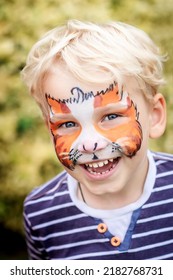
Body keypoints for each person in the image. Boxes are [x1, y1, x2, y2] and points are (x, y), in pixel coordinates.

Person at [22, 19, 173, 260]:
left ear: (155, 116)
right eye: (67, 124)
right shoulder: (41, 214)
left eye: (111, 116)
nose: (89, 144)